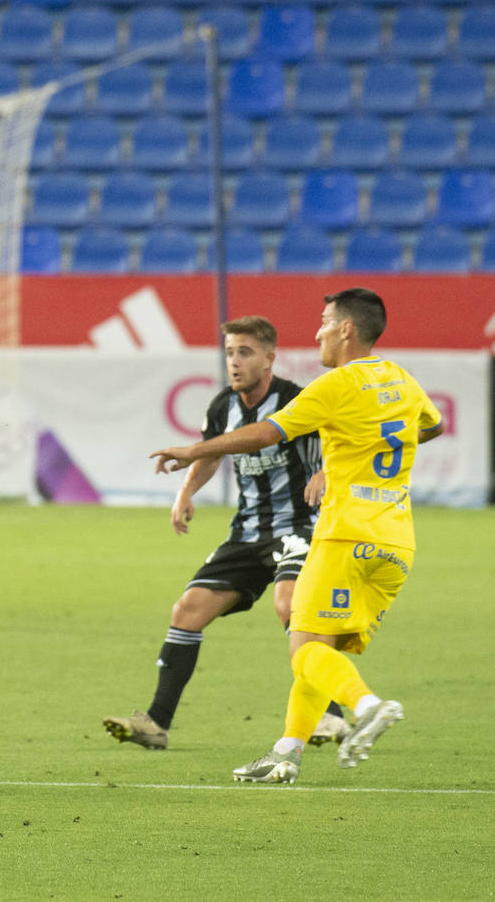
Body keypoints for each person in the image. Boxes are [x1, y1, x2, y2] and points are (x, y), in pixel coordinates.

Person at [151, 288, 444, 784]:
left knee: (305, 650)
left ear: (347, 329)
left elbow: (267, 433)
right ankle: (287, 752)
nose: (318, 331)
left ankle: (366, 705)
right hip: (395, 543)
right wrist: (366, 444)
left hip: (344, 537)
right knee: (320, 651)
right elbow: (431, 428)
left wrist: (193, 449)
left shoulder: (336, 385)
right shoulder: (400, 379)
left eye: (326, 322)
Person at [104, 316, 350, 751]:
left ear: (269, 358)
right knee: (187, 610)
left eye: (245, 352)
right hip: (247, 532)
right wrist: (186, 491)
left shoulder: (299, 400)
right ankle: (157, 723)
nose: (234, 362)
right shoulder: (223, 405)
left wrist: (329, 471)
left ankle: (329, 714)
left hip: (297, 526)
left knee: (289, 603)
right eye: (229, 353)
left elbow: (349, 438)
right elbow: (214, 451)